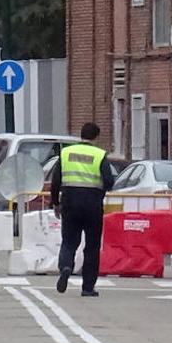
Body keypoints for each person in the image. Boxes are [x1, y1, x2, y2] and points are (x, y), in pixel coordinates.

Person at [50, 122, 116, 298]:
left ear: (81, 134)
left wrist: (56, 202)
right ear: (96, 137)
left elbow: (55, 181)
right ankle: (87, 287)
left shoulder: (66, 153)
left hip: (70, 202)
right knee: (92, 246)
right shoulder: (100, 154)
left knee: (69, 241)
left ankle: (66, 267)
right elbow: (109, 182)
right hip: (93, 205)